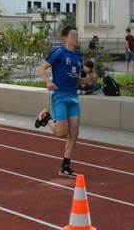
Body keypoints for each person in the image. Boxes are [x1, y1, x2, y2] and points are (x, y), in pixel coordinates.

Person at [34, 26, 94, 178]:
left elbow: (76, 79)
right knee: (61, 133)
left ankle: (65, 166)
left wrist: (88, 80)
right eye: (72, 35)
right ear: (65, 38)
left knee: (75, 132)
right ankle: (46, 118)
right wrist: (48, 81)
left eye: (76, 35)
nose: (75, 38)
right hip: (60, 96)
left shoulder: (77, 58)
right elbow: (41, 69)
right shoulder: (59, 53)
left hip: (73, 98)